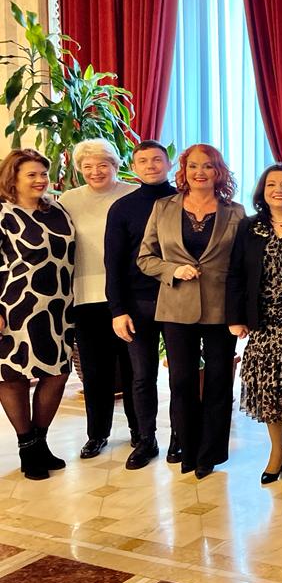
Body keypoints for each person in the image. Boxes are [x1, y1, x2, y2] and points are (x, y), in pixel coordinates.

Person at [137, 143, 245, 479]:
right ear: (183, 171)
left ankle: (209, 454)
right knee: (181, 381)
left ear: (218, 172)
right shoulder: (163, 207)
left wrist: (241, 313)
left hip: (220, 309)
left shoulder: (235, 212)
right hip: (176, 308)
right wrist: (172, 270)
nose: (200, 172)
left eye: (208, 166)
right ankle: (187, 446)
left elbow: (242, 265)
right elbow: (145, 258)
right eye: (193, 166)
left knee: (218, 382)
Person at [227, 163, 282, 484]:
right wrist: (235, 318)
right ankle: (277, 450)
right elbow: (235, 273)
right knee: (270, 387)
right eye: (271, 185)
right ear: (262, 192)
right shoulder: (250, 227)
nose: (278, 190)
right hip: (263, 321)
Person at [58, 139, 137, 459]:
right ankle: (97, 434)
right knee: (95, 371)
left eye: (103, 164)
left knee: (134, 369)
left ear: (115, 165)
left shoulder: (133, 194)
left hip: (129, 296)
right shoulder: (68, 200)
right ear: (79, 170)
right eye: (87, 166)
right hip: (86, 297)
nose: (95, 171)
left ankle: (141, 431)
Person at [105, 140, 181, 469]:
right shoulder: (122, 208)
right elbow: (113, 263)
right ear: (133, 167)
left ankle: (180, 436)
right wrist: (117, 310)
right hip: (138, 303)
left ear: (168, 164)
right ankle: (146, 439)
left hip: (178, 299)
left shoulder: (184, 201)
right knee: (141, 376)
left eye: (157, 160)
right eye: (143, 161)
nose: (151, 166)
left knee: (181, 375)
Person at [0, 149, 75, 480]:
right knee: (12, 376)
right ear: (13, 178)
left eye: (43, 173)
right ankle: (27, 446)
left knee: (57, 373)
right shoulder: (2, 213)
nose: (40, 180)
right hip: (14, 307)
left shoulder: (56, 209)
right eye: (31, 174)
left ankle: (39, 442)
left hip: (58, 308)